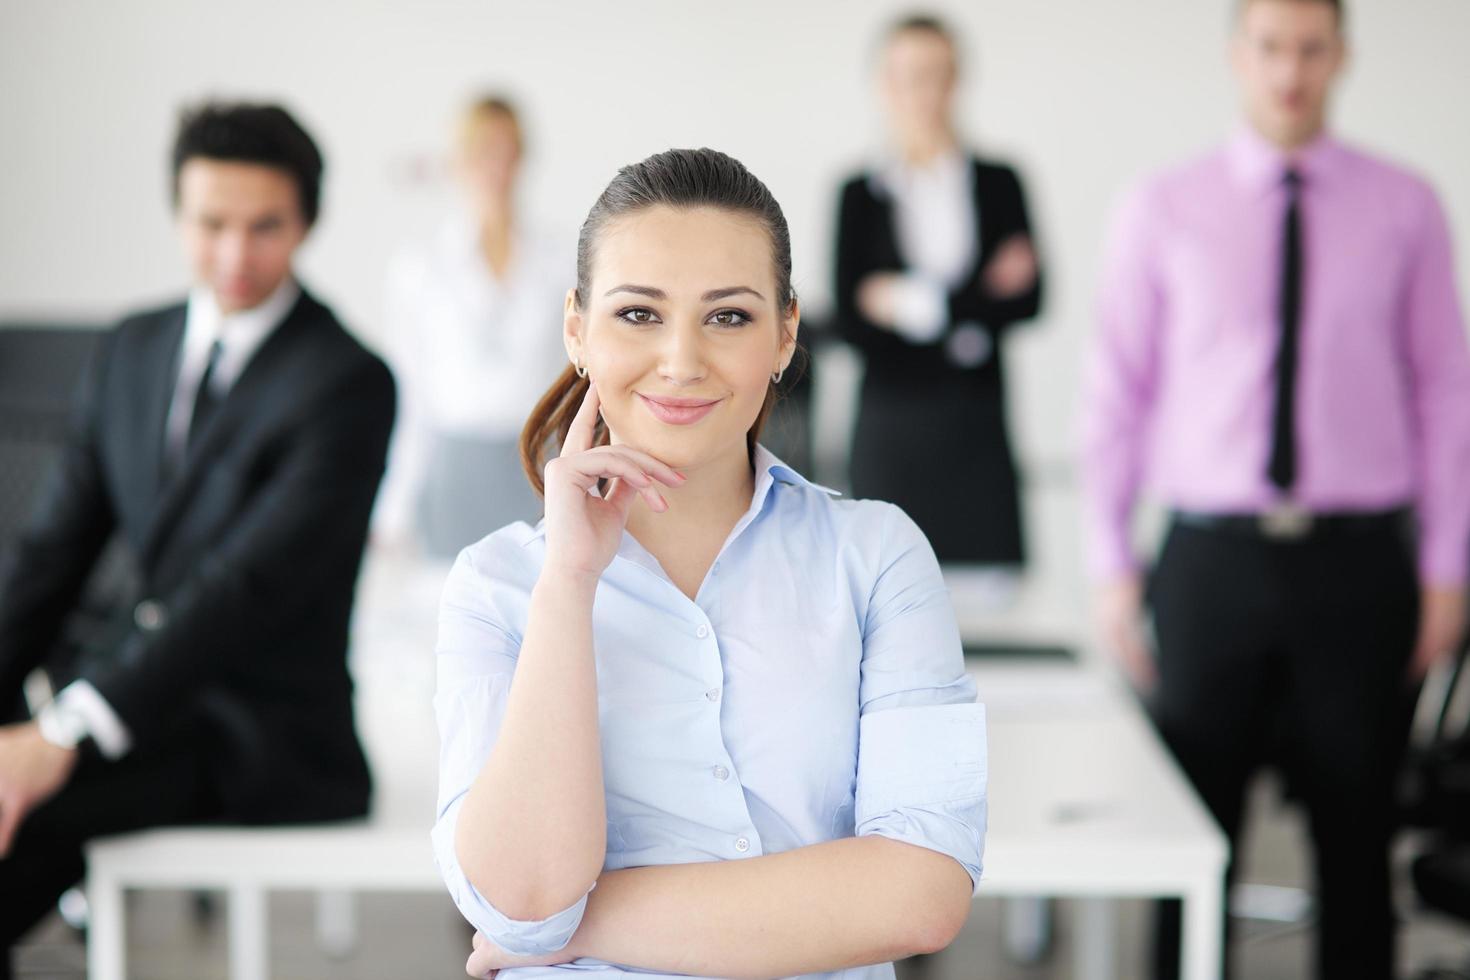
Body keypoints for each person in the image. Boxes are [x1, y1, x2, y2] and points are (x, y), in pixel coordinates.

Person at [433, 148, 987, 979]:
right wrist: (570, 584)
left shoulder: (880, 555)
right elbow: (522, 895)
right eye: (638, 315)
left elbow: (922, 895)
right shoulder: (498, 585)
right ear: (577, 329)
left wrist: (579, 926)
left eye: (727, 316)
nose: (682, 359)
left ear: (786, 333)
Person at [1083, 1, 1470, 977]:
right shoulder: (1162, 204)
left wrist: (1445, 570)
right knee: (1189, 838)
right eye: (1269, 47)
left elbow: (1445, 391)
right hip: (1210, 559)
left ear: (1339, 56)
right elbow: (1115, 393)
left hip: (1360, 564)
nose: (1289, 70)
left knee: (1356, 835)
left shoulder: (1406, 204)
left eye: (1310, 48)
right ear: (1236, 56)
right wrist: (1109, 562)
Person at [0, 102, 395, 975]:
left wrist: (60, 732)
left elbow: (240, 590)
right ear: (178, 215)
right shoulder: (132, 348)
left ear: (308, 223)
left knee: (20, 825)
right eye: (210, 224)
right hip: (128, 698)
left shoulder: (348, 382)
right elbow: (51, 552)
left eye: (265, 227)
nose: (233, 256)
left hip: (252, 731)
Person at [832, 14, 1043, 598]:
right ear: (883, 85)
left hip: (978, 436)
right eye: (909, 76)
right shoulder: (857, 193)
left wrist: (905, 302)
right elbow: (852, 323)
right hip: (893, 437)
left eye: (938, 74)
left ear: (958, 80)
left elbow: (1030, 299)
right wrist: (972, 305)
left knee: (993, 610)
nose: (924, 92)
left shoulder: (1001, 182)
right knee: (885, 603)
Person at [374, 95, 569, 559]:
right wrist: (392, 507)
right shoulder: (419, 268)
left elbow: (574, 385)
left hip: (535, 464)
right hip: (453, 471)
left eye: (508, 150)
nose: (496, 166)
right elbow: (411, 393)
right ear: (457, 160)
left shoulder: (562, 263)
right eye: (483, 150)